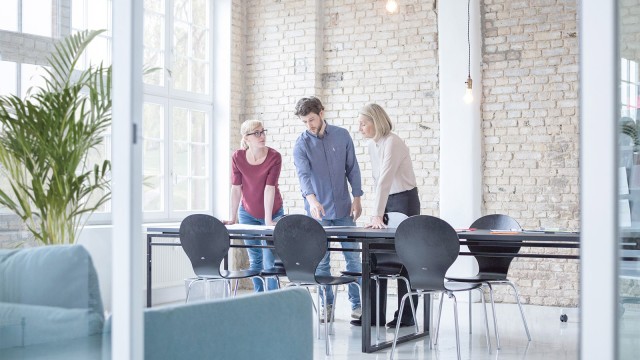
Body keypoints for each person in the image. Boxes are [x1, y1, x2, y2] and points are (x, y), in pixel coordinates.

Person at [293, 96, 363, 321]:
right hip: (318, 213)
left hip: (344, 209)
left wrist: (358, 197)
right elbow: (303, 176)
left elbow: (352, 168)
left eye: (311, 119)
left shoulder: (342, 136)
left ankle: (358, 306)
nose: (309, 125)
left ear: (322, 113)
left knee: (353, 259)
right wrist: (312, 201)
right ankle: (328, 306)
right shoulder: (301, 143)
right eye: (304, 122)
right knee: (322, 262)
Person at [355, 103, 420, 327]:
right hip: (386, 199)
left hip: (405, 200)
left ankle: (407, 315)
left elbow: (385, 179)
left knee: (405, 259)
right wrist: (376, 212)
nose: (360, 127)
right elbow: (377, 183)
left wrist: (376, 214)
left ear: (376, 121)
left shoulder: (393, 142)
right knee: (374, 255)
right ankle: (373, 314)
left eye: (364, 123)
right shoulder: (372, 145)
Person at [223, 119, 284, 292]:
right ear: (246, 138)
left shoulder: (274, 157)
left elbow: (269, 189)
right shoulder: (237, 157)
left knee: (269, 260)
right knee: (255, 258)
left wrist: (268, 220)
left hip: (273, 213)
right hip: (247, 213)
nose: (262, 136)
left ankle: (271, 298)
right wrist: (232, 218)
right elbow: (236, 188)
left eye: (263, 131)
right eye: (256, 133)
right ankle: (259, 296)